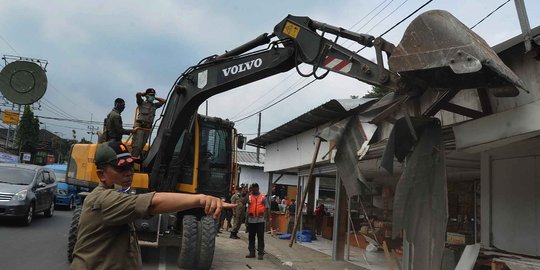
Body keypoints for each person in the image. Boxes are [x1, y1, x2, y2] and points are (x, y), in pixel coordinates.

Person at [71, 141, 235, 269]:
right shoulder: (102, 200)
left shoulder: (117, 194)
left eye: (130, 166)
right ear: (101, 175)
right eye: (120, 168)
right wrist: (200, 199)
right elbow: (153, 203)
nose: (129, 172)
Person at [131, 88, 166, 158]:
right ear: (147, 95)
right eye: (151, 95)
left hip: (147, 128)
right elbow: (138, 95)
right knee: (137, 146)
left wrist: (154, 97)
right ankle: (129, 163)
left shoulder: (154, 105)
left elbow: (164, 101)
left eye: (153, 95)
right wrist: (144, 94)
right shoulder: (141, 103)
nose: (152, 97)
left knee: (141, 147)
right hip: (140, 127)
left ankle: (133, 162)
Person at [245, 183, 270, 260]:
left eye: (255, 188)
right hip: (251, 220)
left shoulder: (263, 197)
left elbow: (267, 208)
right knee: (251, 237)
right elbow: (245, 202)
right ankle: (252, 253)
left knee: (260, 237)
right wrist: (248, 192)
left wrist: (268, 219)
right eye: (253, 188)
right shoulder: (249, 197)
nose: (254, 190)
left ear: (258, 188)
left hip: (260, 221)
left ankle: (260, 254)